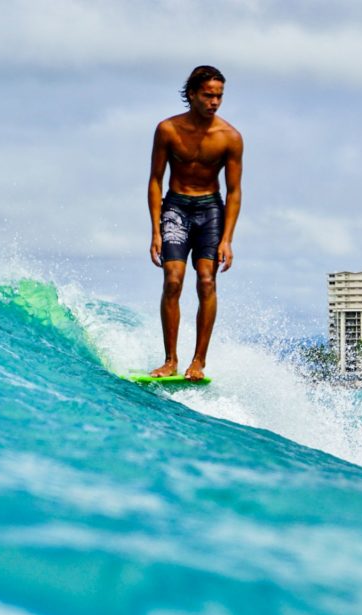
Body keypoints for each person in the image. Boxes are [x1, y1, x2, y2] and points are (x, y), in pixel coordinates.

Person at [148, 65, 244, 381]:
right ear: (191, 94)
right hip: (175, 207)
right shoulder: (167, 130)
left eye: (219, 96)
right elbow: (155, 181)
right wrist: (155, 231)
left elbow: (234, 192)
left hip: (210, 211)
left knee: (206, 280)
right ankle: (170, 360)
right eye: (208, 95)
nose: (214, 102)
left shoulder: (230, 137)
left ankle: (198, 362)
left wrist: (227, 238)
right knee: (172, 279)